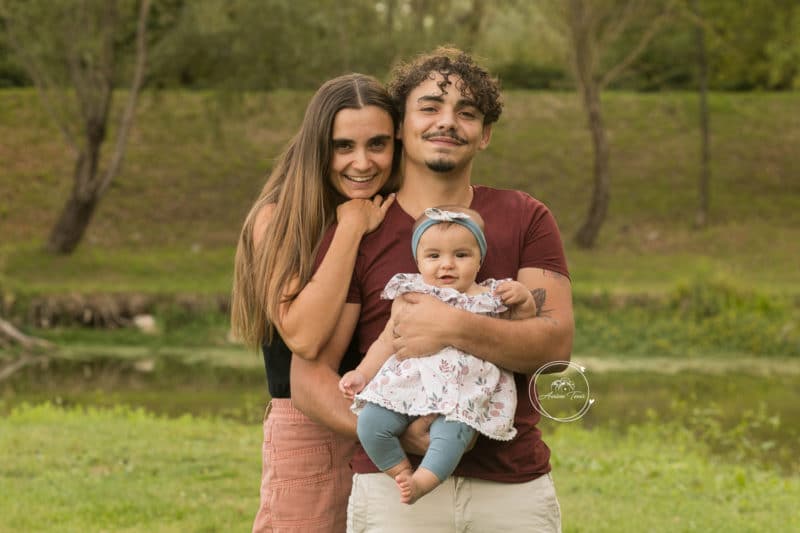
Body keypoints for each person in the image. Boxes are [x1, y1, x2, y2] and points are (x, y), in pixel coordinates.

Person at [291, 47, 573, 532]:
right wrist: (399, 438)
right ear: (401, 125)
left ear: (484, 135)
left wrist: (449, 325)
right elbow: (308, 379)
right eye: (429, 108)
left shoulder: (525, 217)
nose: (447, 122)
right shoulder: (365, 226)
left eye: (467, 113)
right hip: (393, 490)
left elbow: (555, 346)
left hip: (510, 486)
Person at [230, 73, 400, 532]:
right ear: (317, 148)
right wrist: (349, 226)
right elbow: (303, 336)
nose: (361, 162)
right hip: (311, 427)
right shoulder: (278, 218)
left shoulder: (398, 212)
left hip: (390, 424)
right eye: (343, 146)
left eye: (377, 144)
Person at [339, 206, 537, 505]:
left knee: (451, 435)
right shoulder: (411, 295)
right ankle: (400, 469)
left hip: (461, 392)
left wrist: (523, 302)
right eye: (434, 256)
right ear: (417, 260)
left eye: (461, 255)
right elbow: (386, 340)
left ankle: (423, 482)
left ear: (480, 258)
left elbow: (521, 333)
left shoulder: (491, 296)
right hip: (407, 385)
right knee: (369, 423)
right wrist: (362, 374)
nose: (447, 265)